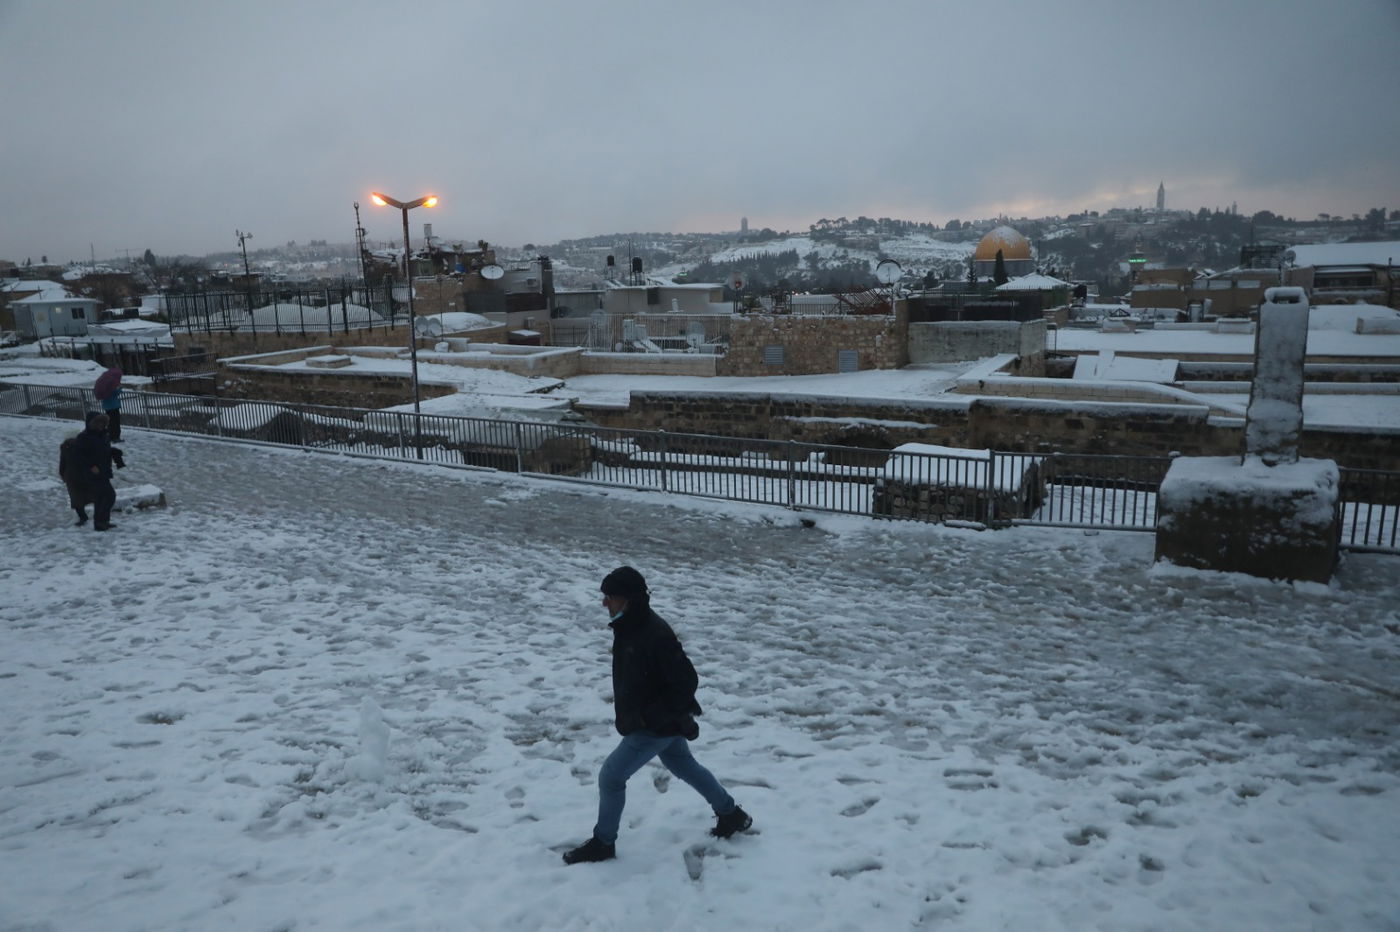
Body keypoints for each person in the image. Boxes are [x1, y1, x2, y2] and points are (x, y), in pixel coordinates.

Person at [563, 566, 752, 865]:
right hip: (660, 721)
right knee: (684, 765)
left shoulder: (653, 634)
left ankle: (603, 842)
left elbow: (686, 681)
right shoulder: (630, 626)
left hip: (653, 725)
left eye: (609, 597)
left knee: (611, 777)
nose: (604, 603)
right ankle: (731, 814)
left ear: (628, 599)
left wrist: (652, 717)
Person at [69, 413, 122, 531]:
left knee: (101, 497)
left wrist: (114, 452)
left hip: (103, 470)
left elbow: (103, 450)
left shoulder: (103, 435)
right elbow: (78, 456)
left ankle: (101, 522)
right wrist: (91, 466)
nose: (101, 426)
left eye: (102, 423)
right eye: (98, 423)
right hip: (92, 473)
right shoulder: (84, 437)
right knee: (109, 495)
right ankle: (100, 522)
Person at [95, 366, 123, 442]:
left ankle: (111, 435)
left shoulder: (104, 390)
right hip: (114, 407)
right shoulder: (111, 388)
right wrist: (120, 388)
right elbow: (117, 393)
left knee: (110, 422)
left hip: (107, 407)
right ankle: (116, 437)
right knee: (116, 422)